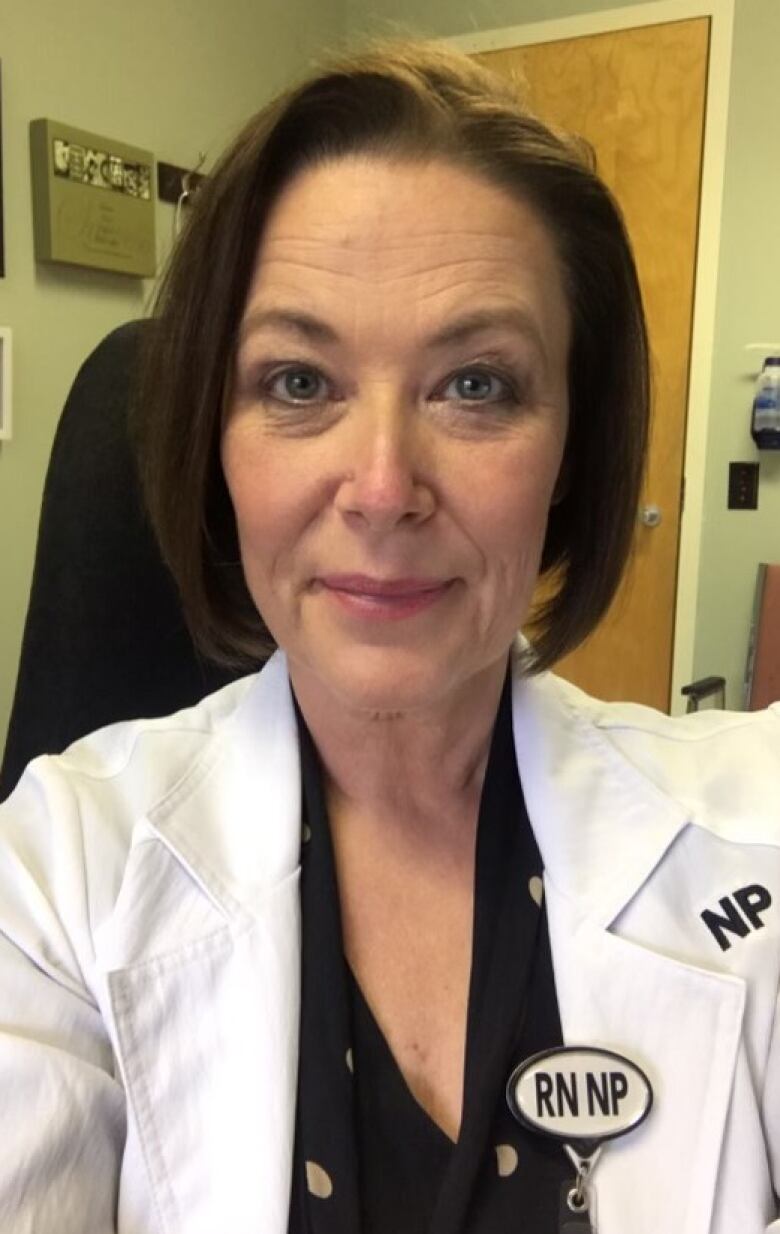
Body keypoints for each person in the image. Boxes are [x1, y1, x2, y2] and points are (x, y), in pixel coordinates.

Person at [0, 39, 778, 1234]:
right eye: (299, 382)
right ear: (217, 441)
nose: (379, 488)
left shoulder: (756, 831)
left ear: (571, 449)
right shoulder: (51, 875)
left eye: (475, 385)